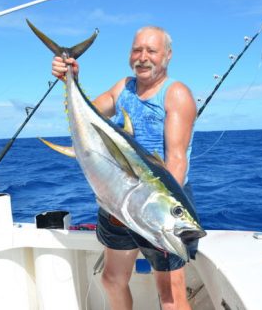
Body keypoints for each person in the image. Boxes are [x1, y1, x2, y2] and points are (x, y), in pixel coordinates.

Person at [52, 26, 197, 310]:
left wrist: (158, 215)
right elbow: (88, 115)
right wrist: (70, 78)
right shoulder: (123, 87)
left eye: (152, 51)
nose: (143, 57)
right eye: (137, 50)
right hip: (117, 201)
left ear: (167, 56)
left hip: (159, 206)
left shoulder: (175, 94)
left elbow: (177, 161)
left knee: (171, 297)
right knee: (112, 279)